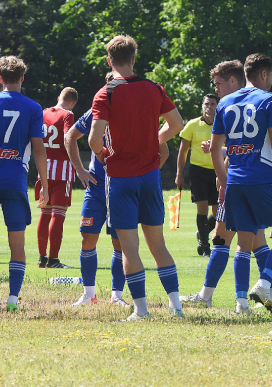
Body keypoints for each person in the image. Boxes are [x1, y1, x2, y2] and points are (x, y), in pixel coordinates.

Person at [88, 35, 185, 320]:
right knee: (158, 245)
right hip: (150, 177)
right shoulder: (154, 88)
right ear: (133, 59)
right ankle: (176, 306)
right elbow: (177, 124)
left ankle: (141, 310)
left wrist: (105, 155)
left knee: (130, 248)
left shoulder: (106, 92)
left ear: (109, 61)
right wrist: (154, 141)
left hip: (121, 179)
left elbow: (94, 138)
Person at [210, 53, 272, 314]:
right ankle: (264, 282)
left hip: (235, 180)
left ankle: (241, 305)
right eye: (271, 75)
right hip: (263, 178)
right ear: (263, 74)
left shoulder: (224, 102)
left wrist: (224, 182)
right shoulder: (269, 99)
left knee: (244, 242)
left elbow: (216, 149)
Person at [183, 60, 272, 308]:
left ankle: (220, 297)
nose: (217, 89)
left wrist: (223, 179)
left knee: (228, 238)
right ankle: (267, 293)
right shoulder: (249, 103)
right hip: (249, 180)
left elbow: (253, 147)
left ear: (233, 81)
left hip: (242, 182)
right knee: (253, 239)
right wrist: (221, 150)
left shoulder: (235, 105)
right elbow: (246, 146)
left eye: (219, 84)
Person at [0, 56, 49, 312]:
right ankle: (13, 299)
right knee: (17, 242)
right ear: (22, 77)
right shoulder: (34, 108)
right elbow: (38, 149)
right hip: (15, 180)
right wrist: (45, 184)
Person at [67, 72, 131, 308]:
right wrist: (80, 170)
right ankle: (89, 294)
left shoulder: (132, 111)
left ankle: (116, 296)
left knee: (120, 244)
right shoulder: (95, 112)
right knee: (87, 239)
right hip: (95, 187)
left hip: (121, 185)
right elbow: (70, 137)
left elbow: (160, 146)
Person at [36, 87, 77, 269]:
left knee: (44, 214)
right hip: (62, 169)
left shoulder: (44, 112)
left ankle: (42, 258)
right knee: (58, 215)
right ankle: (53, 259)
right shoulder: (68, 115)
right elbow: (69, 137)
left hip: (43, 168)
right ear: (73, 102)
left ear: (59, 97)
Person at [175, 93, 220, 257]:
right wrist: (179, 174)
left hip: (217, 171)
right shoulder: (192, 125)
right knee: (202, 207)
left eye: (213, 104)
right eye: (207, 104)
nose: (209, 107)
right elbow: (183, 151)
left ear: (217, 106)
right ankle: (204, 246)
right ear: (202, 106)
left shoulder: (222, 125)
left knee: (218, 212)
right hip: (198, 171)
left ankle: (202, 233)